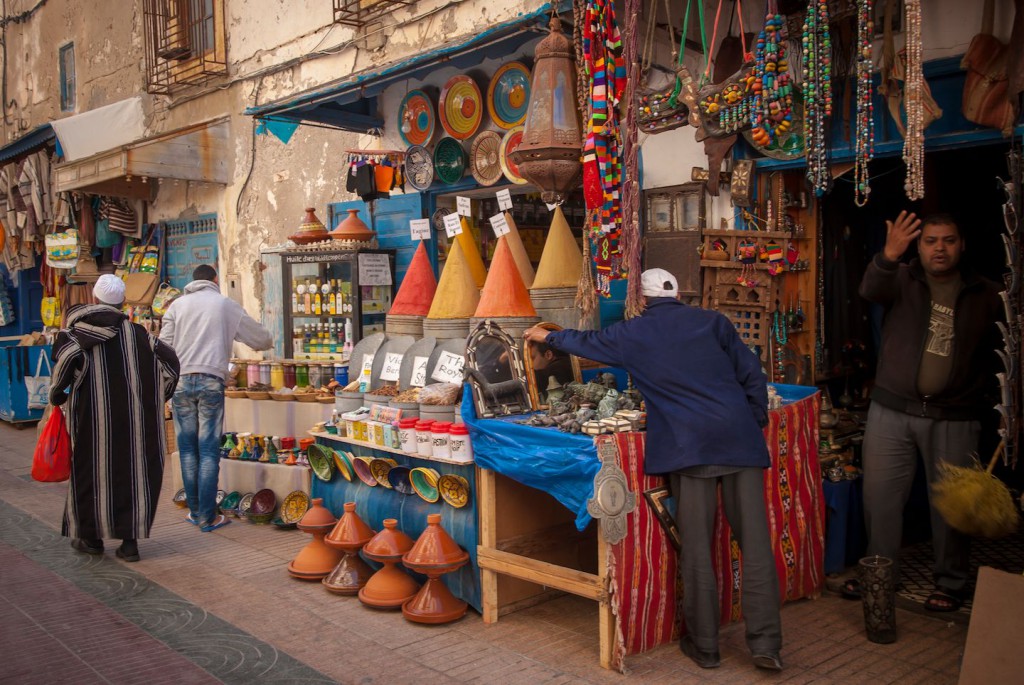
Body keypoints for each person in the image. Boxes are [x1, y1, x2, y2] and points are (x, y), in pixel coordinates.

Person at [523, 268, 783, 672]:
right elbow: (751, 373)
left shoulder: (633, 333)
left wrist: (546, 336)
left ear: (641, 301)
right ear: (678, 295)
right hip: (740, 444)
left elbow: (585, 341)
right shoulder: (714, 321)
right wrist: (752, 421)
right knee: (756, 547)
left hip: (689, 448)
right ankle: (767, 645)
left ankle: (707, 647)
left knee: (697, 549)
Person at [856, 211, 1002, 612]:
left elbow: (1004, 354)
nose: (940, 248)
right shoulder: (902, 279)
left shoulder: (988, 293)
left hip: (956, 415)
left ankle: (950, 583)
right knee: (880, 500)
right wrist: (888, 255)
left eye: (948, 240)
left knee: (952, 505)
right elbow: (870, 289)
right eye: (931, 241)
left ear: (962, 244)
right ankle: (880, 576)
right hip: (891, 410)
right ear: (918, 247)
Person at [50, 274, 180, 562]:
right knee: (134, 474)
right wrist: (160, 396)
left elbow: (62, 368)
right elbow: (170, 363)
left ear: (95, 299)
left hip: (91, 422)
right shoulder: (141, 336)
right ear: (122, 302)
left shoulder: (77, 336)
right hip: (138, 423)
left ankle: (91, 539)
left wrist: (57, 395)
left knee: (90, 473)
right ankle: (129, 544)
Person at [159, 265, 272, 532]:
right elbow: (261, 339)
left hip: (182, 381)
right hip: (211, 381)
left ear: (192, 281)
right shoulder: (224, 304)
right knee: (208, 451)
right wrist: (264, 341)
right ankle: (208, 517)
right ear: (215, 280)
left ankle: (196, 512)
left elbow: (163, 346)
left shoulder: (177, 306)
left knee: (187, 450)